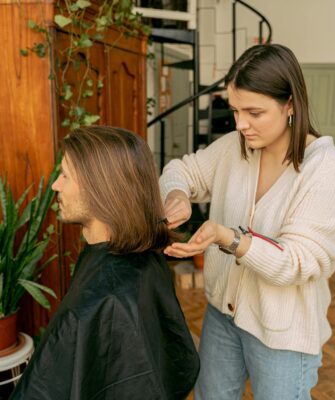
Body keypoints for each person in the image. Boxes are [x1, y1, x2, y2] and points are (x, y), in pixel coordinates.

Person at [159, 43, 335, 400]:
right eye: (234, 110)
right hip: (222, 317)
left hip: (283, 333)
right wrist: (177, 195)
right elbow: (181, 170)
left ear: (290, 105)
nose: (241, 125)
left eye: (254, 112)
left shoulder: (323, 167)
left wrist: (229, 238)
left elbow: (297, 262)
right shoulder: (236, 147)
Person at [11, 126, 200, 400]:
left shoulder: (100, 301)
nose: (55, 185)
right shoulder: (144, 257)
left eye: (65, 175)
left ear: (101, 188)